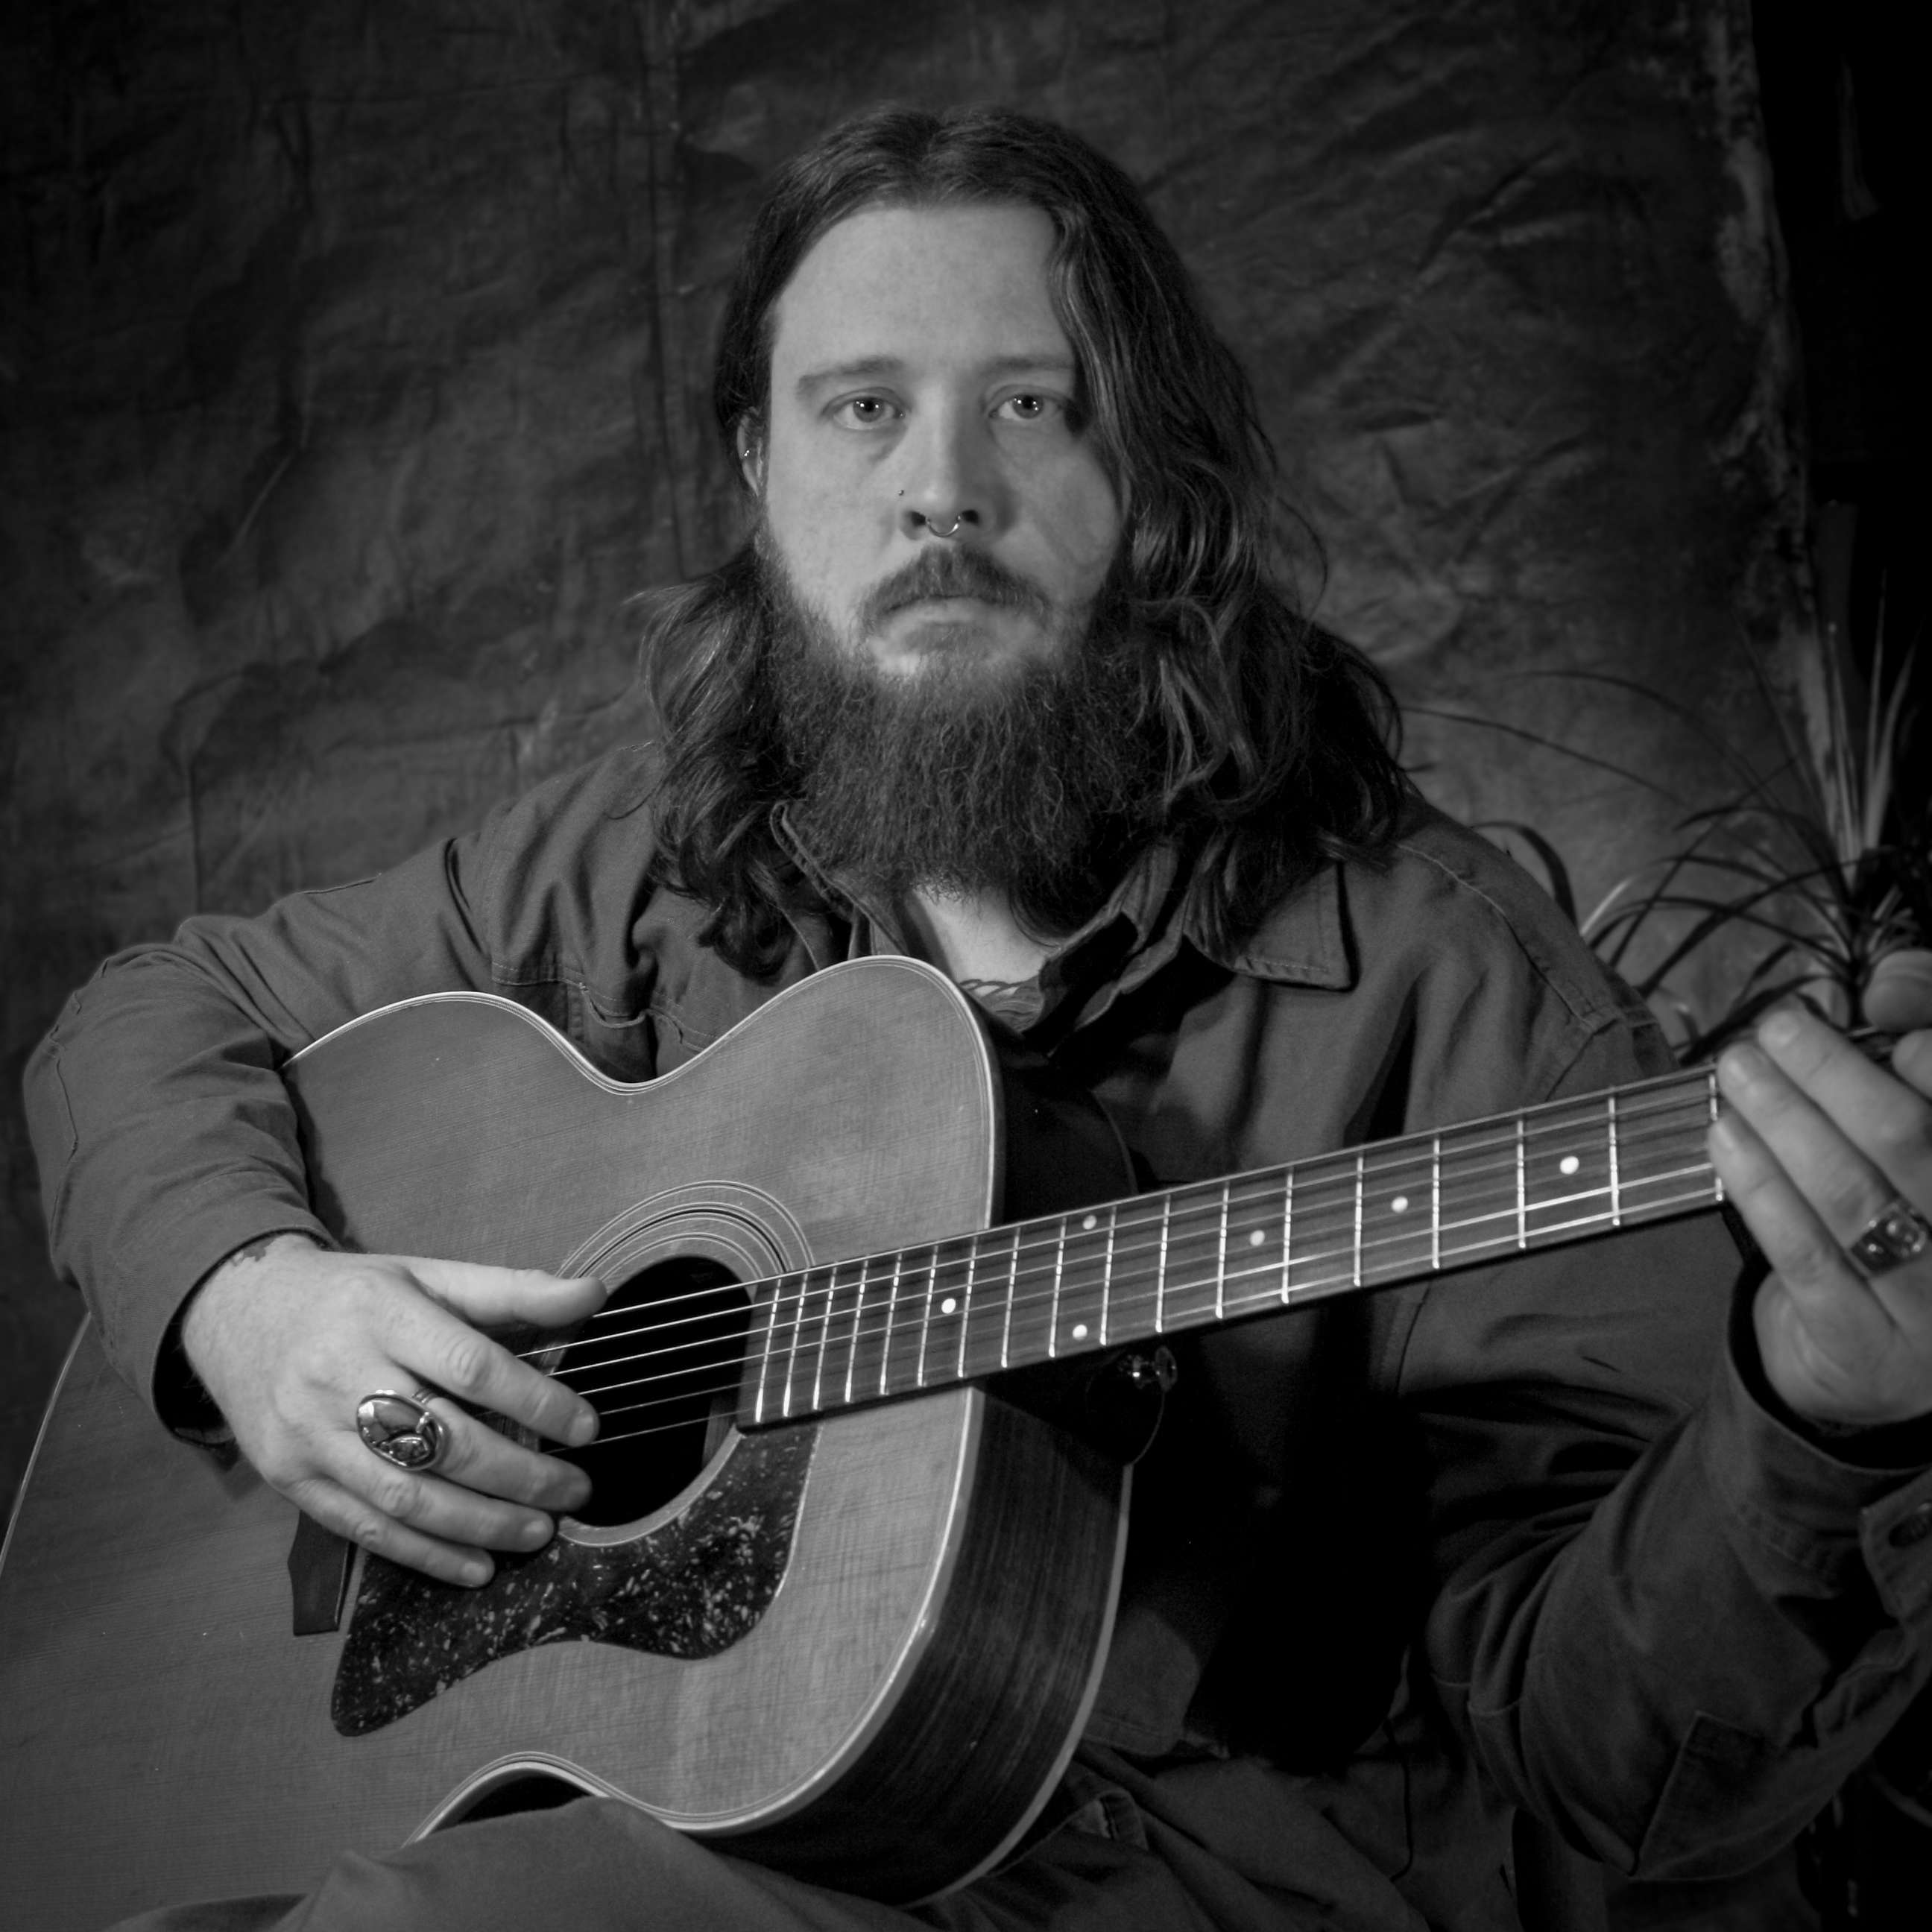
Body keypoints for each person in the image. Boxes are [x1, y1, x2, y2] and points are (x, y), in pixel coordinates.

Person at [21, 104, 1932, 1932]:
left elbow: (1617, 1755)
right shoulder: (645, 859)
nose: (944, 487)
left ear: (1155, 480)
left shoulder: (1448, 978)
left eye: (1034, 404)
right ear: (762, 474)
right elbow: (149, 1016)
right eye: (863, 410)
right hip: (684, 1820)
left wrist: (1829, 1423)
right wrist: (253, 1299)